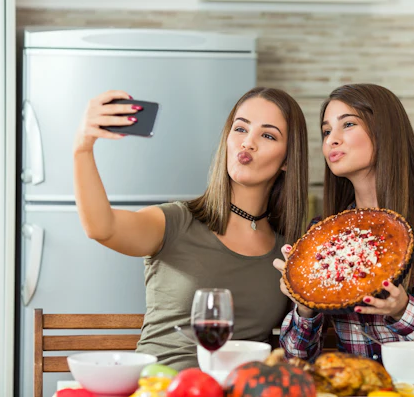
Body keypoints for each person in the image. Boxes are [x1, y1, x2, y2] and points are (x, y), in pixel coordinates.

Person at [74, 87, 308, 370]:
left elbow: (297, 348)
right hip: (162, 387)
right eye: (240, 129)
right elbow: (102, 228)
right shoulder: (176, 221)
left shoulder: (288, 253)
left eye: (268, 135)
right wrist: (83, 147)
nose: (248, 143)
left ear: (286, 160)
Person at [274, 83, 414, 362]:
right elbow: (295, 358)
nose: (331, 140)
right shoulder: (323, 236)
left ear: (384, 132)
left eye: (347, 124)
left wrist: (403, 310)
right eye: (326, 131)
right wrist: (305, 306)